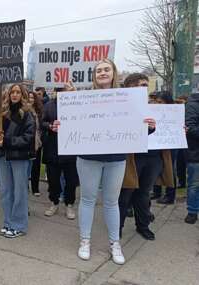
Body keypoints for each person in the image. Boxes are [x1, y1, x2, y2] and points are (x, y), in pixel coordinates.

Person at [72, 60, 155, 265]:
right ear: (94, 75)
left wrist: (149, 127)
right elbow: (72, 122)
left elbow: (137, 127)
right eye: (98, 70)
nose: (102, 73)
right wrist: (61, 125)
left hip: (116, 158)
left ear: (114, 72)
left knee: (111, 202)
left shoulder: (128, 98)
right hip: (88, 157)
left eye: (106, 69)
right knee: (87, 199)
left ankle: (114, 243)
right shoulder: (82, 98)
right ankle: (85, 241)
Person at [119, 79, 172, 241]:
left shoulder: (162, 110)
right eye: (140, 85)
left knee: (143, 194)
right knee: (125, 194)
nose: (144, 88)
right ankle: (117, 228)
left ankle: (143, 226)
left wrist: (178, 130)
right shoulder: (125, 107)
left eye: (145, 85)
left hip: (154, 158)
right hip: (133, 158)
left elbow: (170, 130)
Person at [0, 84, 35, 238]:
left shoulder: (27, 114)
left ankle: (19, 225)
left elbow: (28, 138)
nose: (15, 95)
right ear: (8, 94)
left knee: (19, 192)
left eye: (18, 92)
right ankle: (8, 222)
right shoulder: (2, 114)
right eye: (12, 92)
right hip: (3, 157)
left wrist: (6, 141)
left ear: (22, 95)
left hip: (19, 157)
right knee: (5, 192)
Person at [41, 85, 78, 220]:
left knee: (71, 181)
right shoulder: (49, 105)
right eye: (59, 91)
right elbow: (42, 122)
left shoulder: (76, 105)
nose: (61, 93)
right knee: (53, 180)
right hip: (53, 149)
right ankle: (54, 202)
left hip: (71, 149)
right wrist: (50, 126)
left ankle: (69, 205)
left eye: (65, 91)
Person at [185, 88, 199, 224]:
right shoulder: (192, 105)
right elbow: (190, 129)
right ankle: (192, 211)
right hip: (196, 154)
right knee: (195, 185)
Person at [27, 91, 43, 197]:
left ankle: (35, 188)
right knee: (25, 166)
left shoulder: (39, 111)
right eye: (28, 97)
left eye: (32, 97)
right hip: (27, 141)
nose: (30, 99)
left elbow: (42, 125)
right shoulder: (23, 110)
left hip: (37, 141)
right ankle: (25, 186)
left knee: (36, 167)